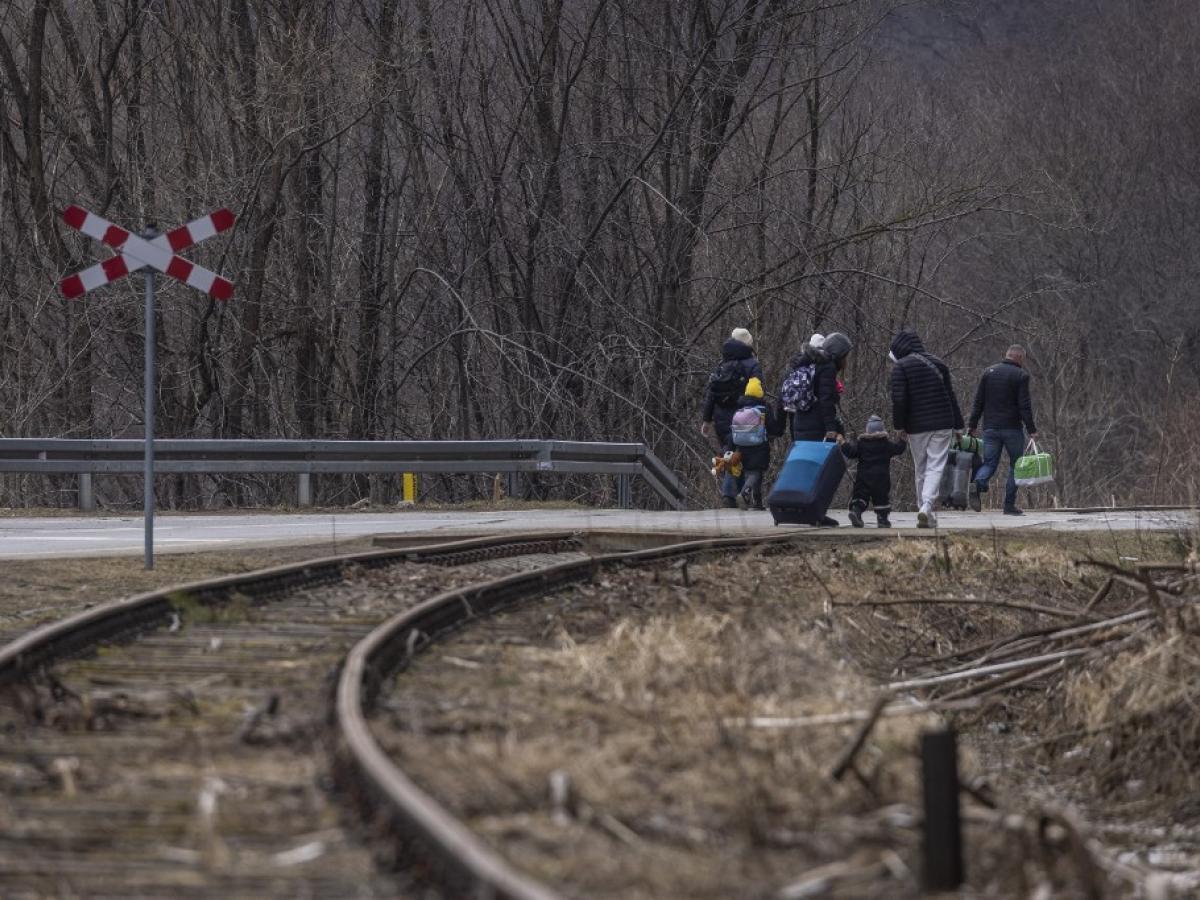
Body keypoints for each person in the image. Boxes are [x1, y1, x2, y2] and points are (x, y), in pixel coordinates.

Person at [775, 331, 852, 526]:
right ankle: (815, 512)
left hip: (800, 422)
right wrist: (831, 429)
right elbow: (826, 401)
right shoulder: (826, 368)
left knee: (804, 469)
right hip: (817, 425)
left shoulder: (808, 363)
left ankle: (796, 510)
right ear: (839, 354)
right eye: (846, 356)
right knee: (820, 471)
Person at [889, 329, 964, 528]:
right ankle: (927, 508)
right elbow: (951, 396)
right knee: (935, 465)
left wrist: (899, 425)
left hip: (916, 425)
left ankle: (923, 506)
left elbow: (899, 400)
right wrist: (958, 426)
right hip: (943, 422)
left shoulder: (901, 367)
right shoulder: (939, 364)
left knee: (921, 467)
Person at [967, 344, 1038, 515]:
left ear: (1007, 355)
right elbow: (1024, 405)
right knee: (1016, 466)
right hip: (1012, 429)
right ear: (1019, 357)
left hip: (990, 428)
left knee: (990, 463)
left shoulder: (988, 372)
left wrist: (972, 425)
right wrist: (1031, 429)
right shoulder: (1021, 375)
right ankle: (1008, 506)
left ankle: (978, 483)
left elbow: (978, 401)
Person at [701, 328, 763, 507]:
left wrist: (706, 420)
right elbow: (757, 393)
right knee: (744, 454)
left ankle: (733, 496)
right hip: (745, 416)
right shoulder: (752, 365)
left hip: (721, 419)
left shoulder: (723, 364)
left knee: (730, 453)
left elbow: (711, 394)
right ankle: (734, 494)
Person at [841, 414, 907, 528]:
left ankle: (856, 511)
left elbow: (851, 452)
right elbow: (898, 449)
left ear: (868, 430)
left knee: (860, 496)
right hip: (881, 478)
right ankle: (882, 519)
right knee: (881, 499)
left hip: (863, 477)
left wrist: (843, 443)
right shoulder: (886, 444)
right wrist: (902, 440)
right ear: (882, 430)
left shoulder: (861, 444)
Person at [728, 377, 779, 510]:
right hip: (759, 445)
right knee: (756, 472)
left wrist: (731, 448)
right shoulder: (763, 409)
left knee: (752, 472)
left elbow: (732, 431)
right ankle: (745, 492)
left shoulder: (740, 409)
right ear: (760, 393)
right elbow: (773, 427)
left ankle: (757, 502)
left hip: (741, 446)